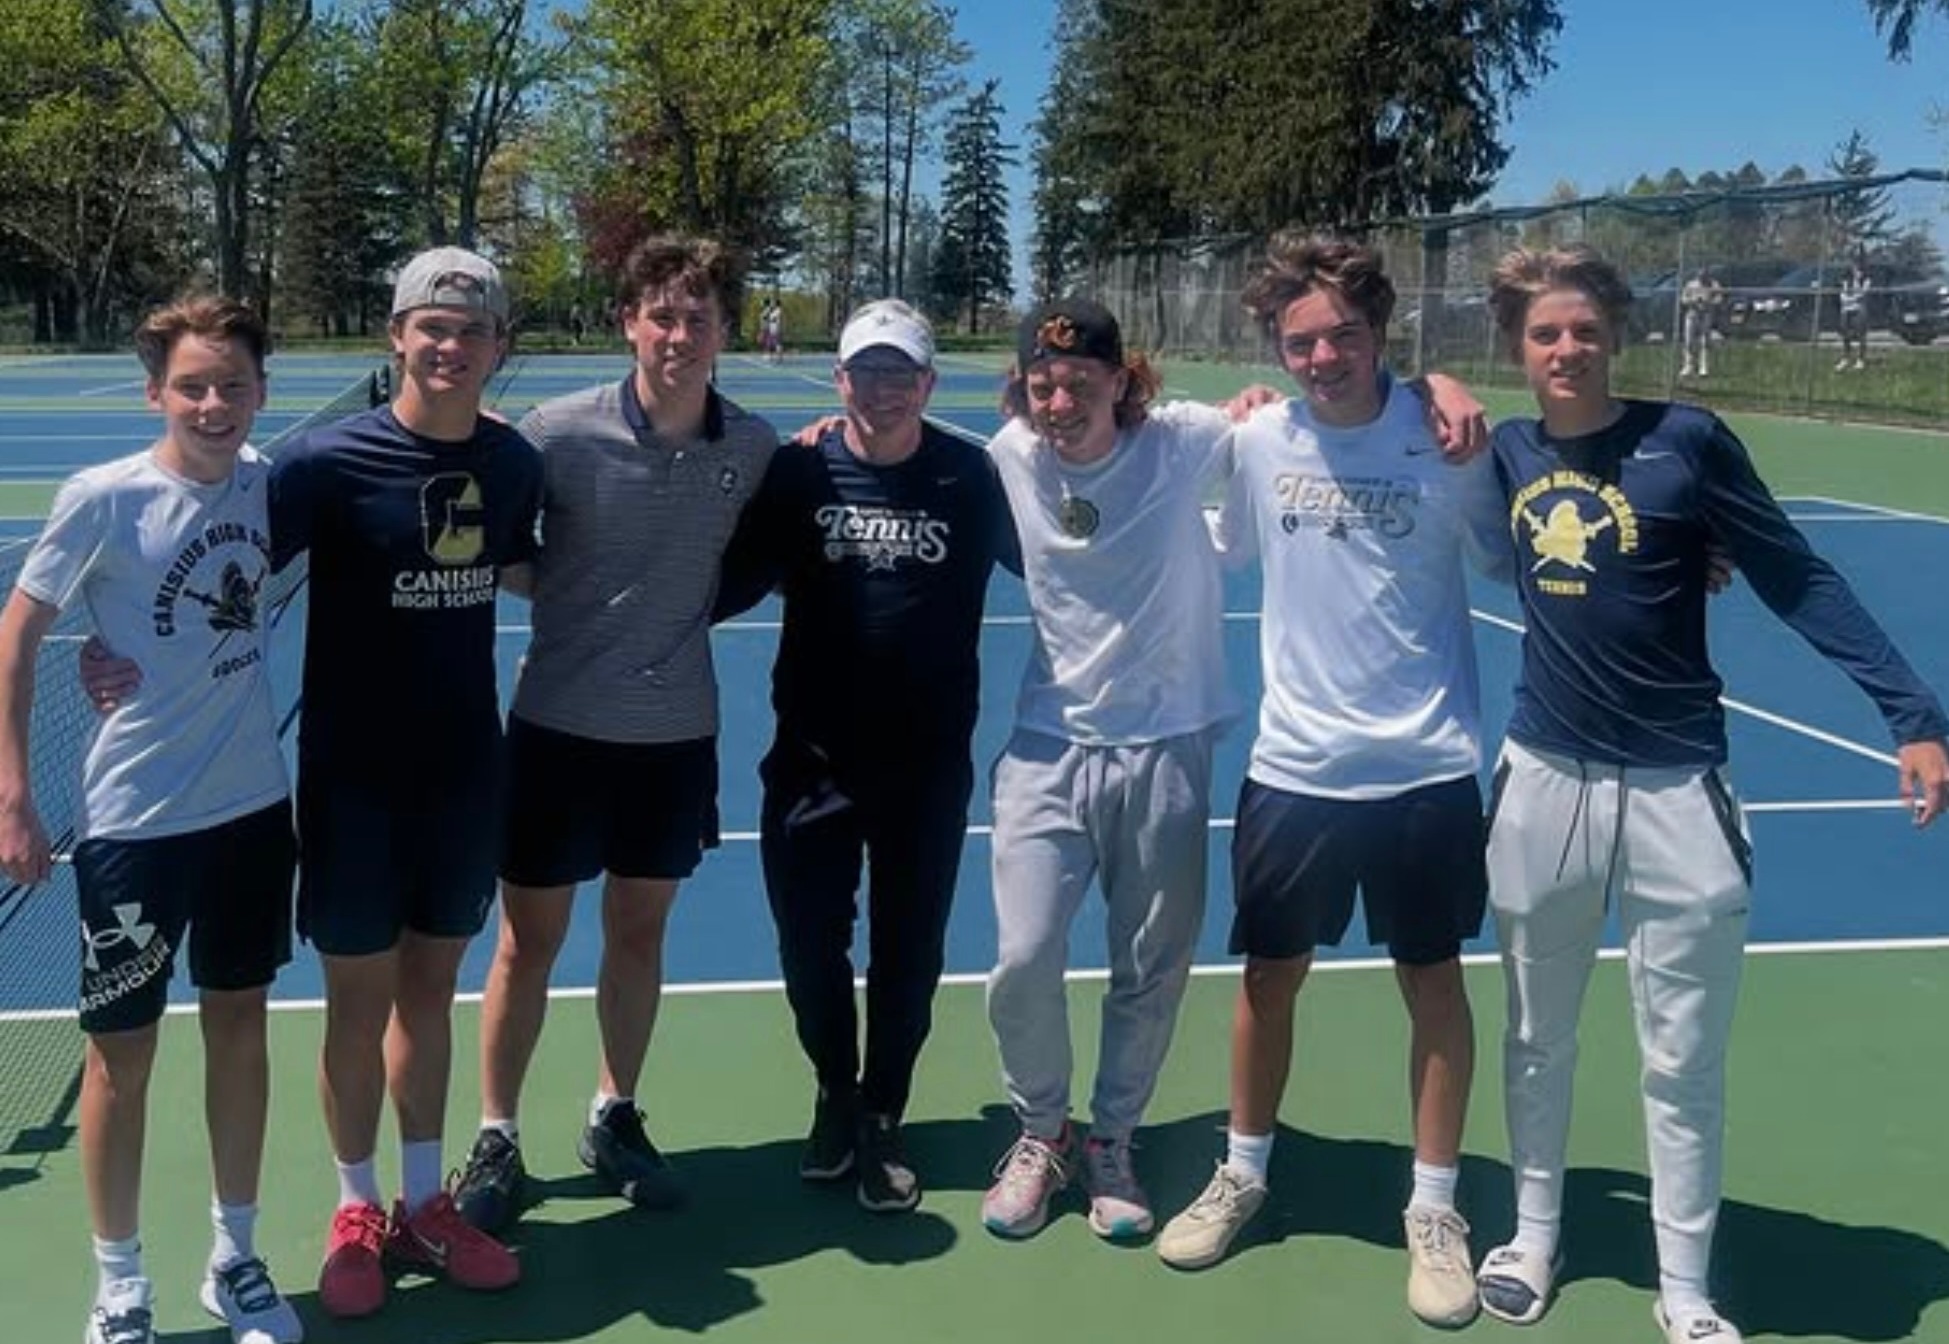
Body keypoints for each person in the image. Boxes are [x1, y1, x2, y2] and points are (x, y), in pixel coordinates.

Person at [1474, 244, 1949, 1344]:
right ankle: (1531, 1235)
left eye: (1582, 330)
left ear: (1615, 338)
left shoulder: (1685, 444)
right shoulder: (1501, 451)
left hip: (1677, 788)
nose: (1564, 349)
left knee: (1679, 1057)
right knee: (1535, 1034)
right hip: (1542, 781)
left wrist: (1913, 714)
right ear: (1516, 348)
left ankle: (1682, 1285)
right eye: (1543, 333)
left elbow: (1794, 574)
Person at [978, 290, 1492, 1253]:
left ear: (1117, 380)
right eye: (1041, 385)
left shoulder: (1187, 439)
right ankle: (1043, 1132)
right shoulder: (1007, 455)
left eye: (1077, 382)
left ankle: (1114, 1141)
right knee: (1022, 957)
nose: (1057, 403)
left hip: (1170, 740)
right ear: (1022, 391)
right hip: (1046, 743)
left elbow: (1306, 414)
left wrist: (1434, 386)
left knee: (1150, 965)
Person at [1146, 237, 1508, 1331]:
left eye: (1340, 335)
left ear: (1379, 332)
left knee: (1432, 983)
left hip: (1426, 766)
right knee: (1267, 980)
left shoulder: (1445, 440)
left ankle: (1434, 1208)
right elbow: (1222, 546)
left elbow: (1516, 551)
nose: (1320, 356)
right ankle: (1243, 1173)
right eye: (1298, 341)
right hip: (1294, 767)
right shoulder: (1257, 438)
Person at [449, 236, 778, 1232]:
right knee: (526, 945)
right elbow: (487, 544)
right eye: (661, 316)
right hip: (555, 729)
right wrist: (570, 594)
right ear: (629, 322)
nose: (679, 335)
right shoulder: (554, 434)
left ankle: (612, 1115)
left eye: (698, 316)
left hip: (674, 740)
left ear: (723, 328)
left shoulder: (754, 447)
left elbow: (766, 555)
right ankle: (497, 1134)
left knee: (638, 934)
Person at [0, 297, 301, 1344]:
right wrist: (13, 792)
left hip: (255, 816)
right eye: (192, 386)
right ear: (155, 393)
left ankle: (237, 1257)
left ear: (261, 392)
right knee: (120, 1059)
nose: (213, 405)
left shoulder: (274, 487)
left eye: (231, 385)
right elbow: (20, 630)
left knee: (239, 1033)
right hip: (135, 827)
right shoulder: (104, 498)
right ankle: (119, 1285)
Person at [275, 248, 540, 1318]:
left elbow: (538, 563)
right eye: (430, 327)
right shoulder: (321, 463)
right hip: (350, 780)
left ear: (495, 348)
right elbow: (217, 571)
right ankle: (357, 1208)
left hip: (463, 773)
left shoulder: (514, 465)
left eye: (470, 332)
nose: (449, 346)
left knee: (431, 988)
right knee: (356, 1000)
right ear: (395, 337)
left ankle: (429, 1201)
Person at [714, 298, 1018, 1213]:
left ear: (927, 383)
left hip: (925, 769)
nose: (882, 390)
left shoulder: (972, 478)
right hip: (809, 764)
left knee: (908, 954)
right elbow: (721, 582)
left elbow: (1075, 552)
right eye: (866, 371)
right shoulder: (798, 473)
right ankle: (833, 1092)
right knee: (809, 947)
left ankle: (882, 1109)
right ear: (838, 378)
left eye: (902, 373)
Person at [1678, 268, 1720, 379]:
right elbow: (1683, 299)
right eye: (1700, 275)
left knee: (1705, 341)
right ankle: (1688, 367)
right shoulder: (1691, 284)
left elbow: (1719, 299)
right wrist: (1693, 301)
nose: (1702, 277)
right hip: (1692, 313)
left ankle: (1704, 368)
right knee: (1689, 340)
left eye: (1705, 275)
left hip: (1706, 314)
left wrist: (1708, 302)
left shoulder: (1714, 284)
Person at [1838, 259, 1870, 371]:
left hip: (1859, 310)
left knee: (1861, 335)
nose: (1856, 271)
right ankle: (1846, 358)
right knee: (1845, 335)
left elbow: (1862, 295)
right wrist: (1849, 299)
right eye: (1854, 269)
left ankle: (1861, 360)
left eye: (1858, 269)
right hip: (1846, 310)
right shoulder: (1846, 280)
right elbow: (1842, 295)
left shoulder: (1865, 281)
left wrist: (1851, 299)